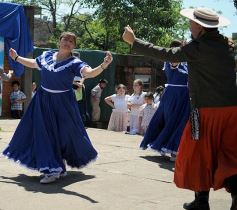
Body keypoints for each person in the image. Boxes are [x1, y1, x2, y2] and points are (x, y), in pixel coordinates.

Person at [123, 7, 237, 210]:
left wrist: (134, 41)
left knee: (198, 155)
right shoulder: (226, 46)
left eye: (191, 22)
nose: (189, 25)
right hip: (231, 112)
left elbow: (167, 54)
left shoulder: (198, 47)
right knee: (228, 154)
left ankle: (201, 202)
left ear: (201, 27)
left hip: (204, 113)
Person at [3, 32, 113, 184]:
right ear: (59, 42)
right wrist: (16, 58)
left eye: (71, 41)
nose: (67, 42)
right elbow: (33, 63)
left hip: (63, 103)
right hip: (43, 100)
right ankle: (52, 169)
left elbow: (90, 73)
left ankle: (57, 167)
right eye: (65, 39)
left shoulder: (74, 62)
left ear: (74, 46)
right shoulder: (47, 56)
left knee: (65, 135)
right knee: (43, 133)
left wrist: (104, 65)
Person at [140, 40, 190, 162]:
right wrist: (183, 50)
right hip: (173, 95)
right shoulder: (171, 60)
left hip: (184, 96)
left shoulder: (186, 62)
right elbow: (175, 62)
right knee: (170, 121)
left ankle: (171, 148)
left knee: (181, 123)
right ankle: (166, 148)